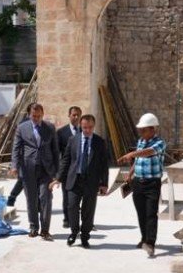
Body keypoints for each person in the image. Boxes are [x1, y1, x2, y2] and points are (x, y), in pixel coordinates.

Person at [51, 114, 109, 248]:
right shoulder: (73, 140)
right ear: (80, 126)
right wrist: (58, 178)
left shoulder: (99, 142)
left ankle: (85, 236)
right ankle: (74, 232)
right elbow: (66, 160)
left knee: (88, 210)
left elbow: (103, 164)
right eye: (84, 127)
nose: (87, 130)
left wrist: (104, 183)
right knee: (71, 207)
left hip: (91, 181)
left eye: (90, 127)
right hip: (74, 180)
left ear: (93, 126)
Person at [118, 113, 166, 258]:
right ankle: (144, 238)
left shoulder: (159, 143)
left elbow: (148, 153)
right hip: (138, 182)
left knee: (151, 213)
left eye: (144, 130)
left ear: (152, 129)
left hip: (152, 183)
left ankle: (150, 243)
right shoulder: (140, 141)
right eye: (141, 130)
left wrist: (132, 154)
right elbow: (138, 160)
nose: (141, 132)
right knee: (141, 213)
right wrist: (130, 173)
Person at [10, 103, 59, 240]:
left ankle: (45, 229)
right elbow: (16, 148)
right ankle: (33, 227)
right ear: (29, 115)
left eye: (39, 116)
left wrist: (58, 173)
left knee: (45, 198)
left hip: (46, 170)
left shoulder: (49, 128)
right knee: (31, 199)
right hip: (28, 169)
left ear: (43, 114)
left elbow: (55, 150)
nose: (36, 118)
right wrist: (14, 166)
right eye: (34, 116)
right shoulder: (22, 128)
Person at [56, 106, 83, 228]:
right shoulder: (61, 132)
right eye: (74, 115)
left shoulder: (84, 131)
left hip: (82, 169)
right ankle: (67, 218)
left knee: (82, 195)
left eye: (78, 115)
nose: (76, 117)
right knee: (67, 195)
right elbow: (57, 153)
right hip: (67, 170)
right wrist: (58, 172)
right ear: (69, 115)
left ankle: (82, 218)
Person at [5, 103, 33, 207]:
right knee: (23, 180)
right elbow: (17, 145)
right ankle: (11, 198)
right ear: (29, 113)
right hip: (24, 158)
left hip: (34, 158)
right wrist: (15, 164)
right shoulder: (23, 124)